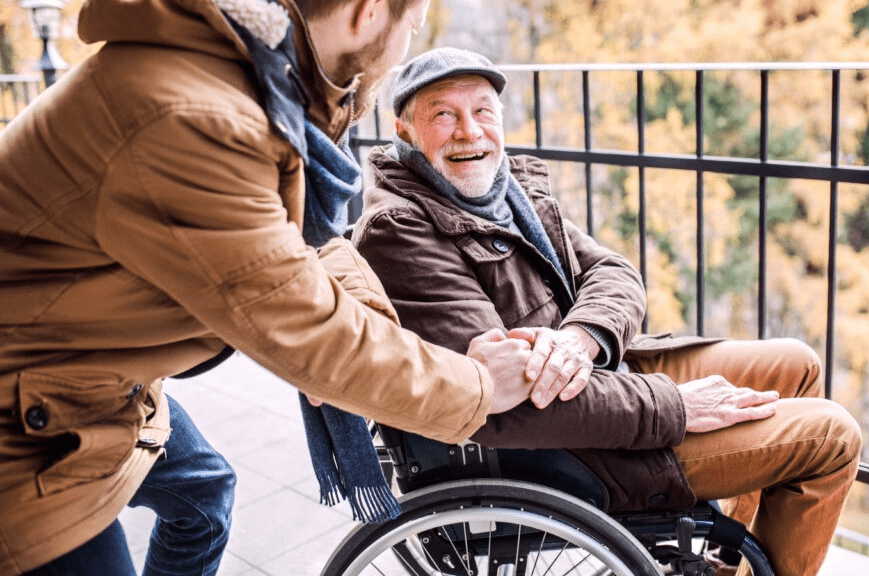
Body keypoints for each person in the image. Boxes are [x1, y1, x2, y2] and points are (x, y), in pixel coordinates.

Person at [0, 2, 548, 575]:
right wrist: (478, 387)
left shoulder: (252, 74)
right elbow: (308, 332)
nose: (405, 47)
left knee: (204, 497)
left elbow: (307, 242)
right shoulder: (194, 118)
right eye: (411, 26)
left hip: (92, 372)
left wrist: (367, 333)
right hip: (27, 422)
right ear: (365, 14)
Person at [351, 47, 864, 576]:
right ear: (404, 131)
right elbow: (499, 406)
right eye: (443, 115)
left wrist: (579, 338)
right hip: (574, 447)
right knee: (833, 436)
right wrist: (675, 407)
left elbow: (614, 272)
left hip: (601, 378)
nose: (469, 131)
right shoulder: (401, 230)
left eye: (483, 111)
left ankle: (725, 565)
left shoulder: (505, 193)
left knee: (796, 363)